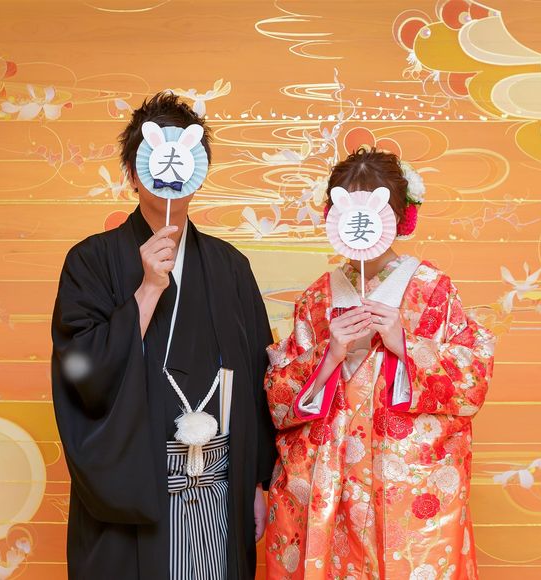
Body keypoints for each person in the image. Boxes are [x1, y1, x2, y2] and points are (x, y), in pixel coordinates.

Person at [51, 92, 276, 580]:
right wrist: (148, 289)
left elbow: (259, 376)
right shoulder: (90, 261)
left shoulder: (231, 267)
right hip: (136, 484)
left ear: (199, 171)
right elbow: (79, 369)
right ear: (133, 174)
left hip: (221, 483)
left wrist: (259, 481)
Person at [264, 147, 495, 579]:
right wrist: (328, 354)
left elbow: (472, 379)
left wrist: (405, 344)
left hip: (406, 479)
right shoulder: (319, 297)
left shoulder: (432, 291)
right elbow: (280, 400)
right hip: (330, 476)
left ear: (399, 215)